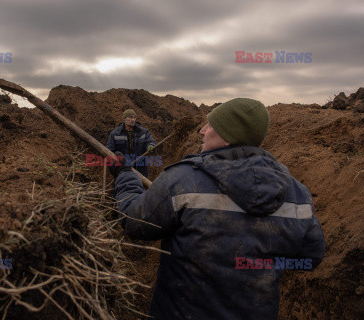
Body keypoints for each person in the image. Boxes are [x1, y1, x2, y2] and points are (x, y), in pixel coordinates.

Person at [109, 98, 326, 320]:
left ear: (228, 137)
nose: (202, 130)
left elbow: (135, 221)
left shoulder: (182, 180)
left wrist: (124, 175)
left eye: (210, 125)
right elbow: (311, 256)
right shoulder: (296, 192)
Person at [106, 109, 156, 177]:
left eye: (134, 117)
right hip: (123, 168)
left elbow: (150, 141)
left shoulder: (143, 132)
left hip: (140, 168)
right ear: (124, 119)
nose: (133, 120)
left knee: (141, 186)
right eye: (130, 117)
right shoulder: (115, 134)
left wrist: (151, 145)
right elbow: (109, 150)